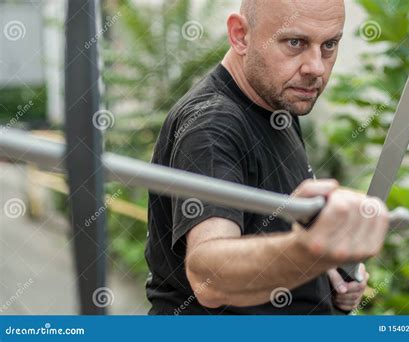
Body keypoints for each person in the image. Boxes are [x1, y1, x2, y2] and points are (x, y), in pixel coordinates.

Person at [145, 0, 389, 315]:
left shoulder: (277, 101)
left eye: (329, 45)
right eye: (295, 43)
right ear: (240, 35)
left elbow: (269, 235)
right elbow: (209, 278)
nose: (315, 67)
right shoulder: (212, 125)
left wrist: (325, 267)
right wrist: (309, 251)